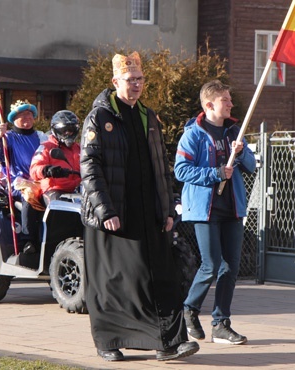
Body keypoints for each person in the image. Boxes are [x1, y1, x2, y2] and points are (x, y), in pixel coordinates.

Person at [80, 51, 199, 362]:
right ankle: (108, 341)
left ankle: (169, 343)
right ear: (115, 81)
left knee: (162, 277)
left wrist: (169, 209)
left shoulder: (149, 116)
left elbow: (161, 168)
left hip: (150, 213)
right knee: (116, 282)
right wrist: (106, 211)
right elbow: (89, 167)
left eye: (140, 80)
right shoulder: (100, 117)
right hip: (114, 213)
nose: (136, 85)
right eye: (130, 80)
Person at [173, 80, 256, 345]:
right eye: (225, 100)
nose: (231, 104)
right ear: (209, 105)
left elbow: (252, 166)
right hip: (204, 210)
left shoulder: (234, 131)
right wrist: (215, 174)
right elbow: (181, 170)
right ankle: (189, 309)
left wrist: (241, 153)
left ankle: (221, 324)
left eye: (230, 99)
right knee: (211, 264)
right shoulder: (193, 134)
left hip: (232, 209)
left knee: (230, 268)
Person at [0, 99, 47, 254]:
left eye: (29, 114)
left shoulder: (41, 137)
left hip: (40, 179)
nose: (27, 118)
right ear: (14, 119)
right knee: (29, 193)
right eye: (22, 115)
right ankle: (28, 241)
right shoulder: (9, 137)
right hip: (16, 179)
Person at [29, 110, 81, 206]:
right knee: (61, 209)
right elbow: (34, 169)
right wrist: (47, 170)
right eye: (64, 130)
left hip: (79, 190)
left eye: (71, 130)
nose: (68, 133)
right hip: (55, 189)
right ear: (56, 130)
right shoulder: (46, 147)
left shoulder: (80, 148)